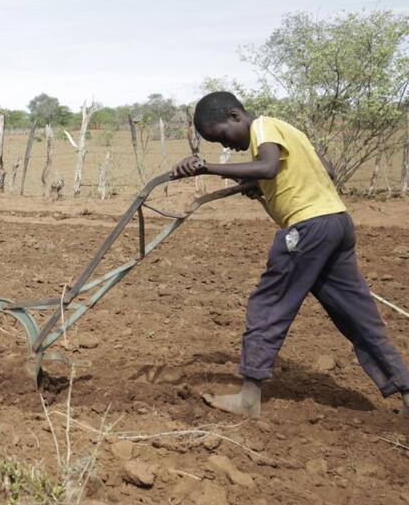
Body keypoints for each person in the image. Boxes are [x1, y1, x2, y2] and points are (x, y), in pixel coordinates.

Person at [172, 91, 409, 418]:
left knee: (268, 304)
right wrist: (256, 185)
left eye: (223, 137)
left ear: (235, 116)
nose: (226, 147)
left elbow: (268, 168)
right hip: (337, 223)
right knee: (357, 313)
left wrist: (205, 167)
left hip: (307, 229)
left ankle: (249, 397)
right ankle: (405, 387)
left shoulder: (264, 126)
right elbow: (325, 171)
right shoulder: (291, 133)